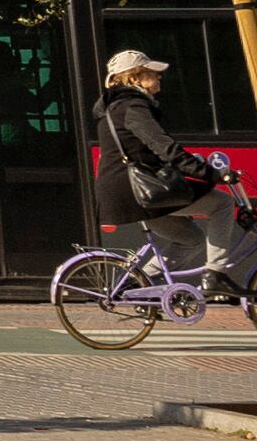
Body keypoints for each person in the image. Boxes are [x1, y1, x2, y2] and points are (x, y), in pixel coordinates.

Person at [98, 50, 248, 283]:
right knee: (222, 204)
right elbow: (166, 149)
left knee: (191, 239)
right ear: (135, 78)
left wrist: (195, 166)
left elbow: (148, 153)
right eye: (153, 73)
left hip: (129, 192)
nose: (159, 78)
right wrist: (212, 175)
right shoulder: (133, 108)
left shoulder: (115, 108)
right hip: (142, 192)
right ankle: (216, 274)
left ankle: (136, 283)